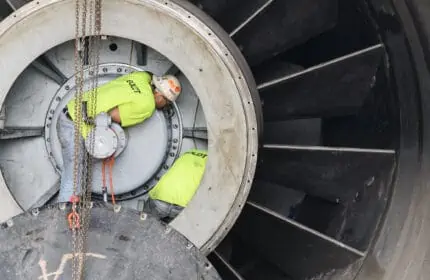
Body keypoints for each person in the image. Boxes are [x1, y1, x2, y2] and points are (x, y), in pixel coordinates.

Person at [57, 71, 182, 203]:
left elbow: (146, 75)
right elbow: (110, 117)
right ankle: (64, 218)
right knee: (73, 181)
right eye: (167, 103)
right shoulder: (147, 104)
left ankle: (70, 214)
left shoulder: (141, 78)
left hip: (70, 111)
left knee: (73, 175)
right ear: (160, 97)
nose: (165, 106)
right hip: (76, 127)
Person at [145, 149, 208, 220]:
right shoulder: (213, 162)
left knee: (142, 225)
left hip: (160, 196)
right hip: (182, 204)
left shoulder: (188, 152)